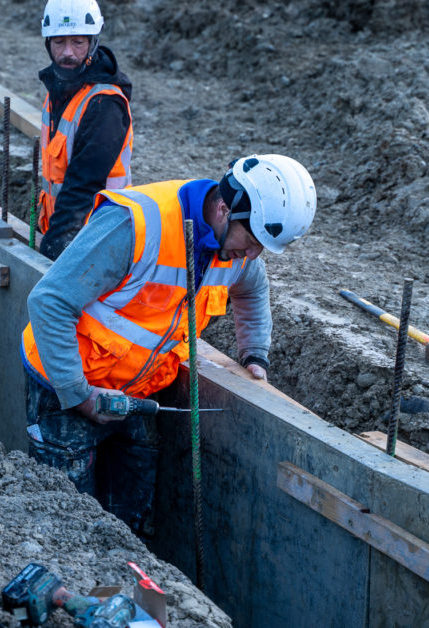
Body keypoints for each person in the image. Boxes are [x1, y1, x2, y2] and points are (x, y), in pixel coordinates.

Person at [21, 154, 317, 534]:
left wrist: (254, 351)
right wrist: (78, 394)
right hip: (65, 387)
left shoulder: (235, 247)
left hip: (138, 396)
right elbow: (49, 301)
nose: (254, 254)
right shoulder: (136, 226)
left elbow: (253, 288)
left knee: (129, 526)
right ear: (225, 208)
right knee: (66, 527)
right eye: (254, 240)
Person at [36, 0, 133, 261]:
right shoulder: (61, 89)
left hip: (96, 243)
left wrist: (53, 247)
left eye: (77, 42)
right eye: (59, 42)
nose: (67, 53)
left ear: (93, 43)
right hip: (70, 237)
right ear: (47, 43)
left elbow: (83, 186)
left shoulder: (104, 104)